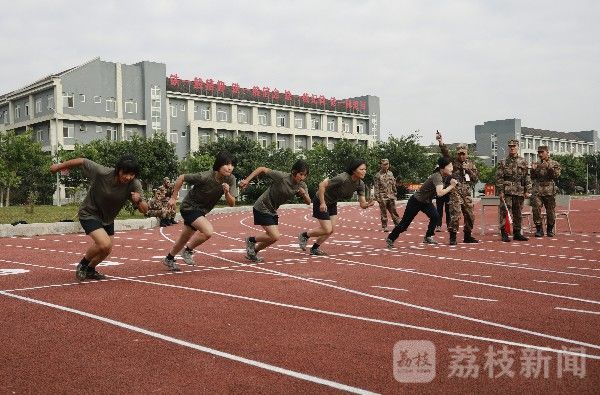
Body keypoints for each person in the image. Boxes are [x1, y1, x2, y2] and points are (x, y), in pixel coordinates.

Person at [50, 155, 148, 280]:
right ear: (119, 170)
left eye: (132, 174)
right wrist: (58, 167)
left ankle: (90, 270)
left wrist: (138, 201)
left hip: (108, 218)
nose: (128, 177)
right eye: (125, 173)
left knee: (106, 249)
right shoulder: (103, 173)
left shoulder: (134, 184)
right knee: (104, 244)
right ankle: (83, 264)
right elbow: (82, 161)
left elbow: (145, 210)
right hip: (89, 213)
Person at [163, 152, 237, 271]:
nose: (230, 167)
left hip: (201, 211)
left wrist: (227, 192)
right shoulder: (205, 176)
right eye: (227, 164)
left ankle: (169, 258)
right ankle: (188, 251)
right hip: (189, 207)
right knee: (208, 231)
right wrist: (173, 197)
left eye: (232, 165)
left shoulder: (231, 179)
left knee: (184, 238)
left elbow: (232, 203)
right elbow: (182, 177)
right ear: (219, 164)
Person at [298, 159, 375, 256]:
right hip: (320, 200)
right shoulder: (342, 178)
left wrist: (368, 204)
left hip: (332, 203)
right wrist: (322, 203)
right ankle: (304, 235)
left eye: (365, 169)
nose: (364, 171)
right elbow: (322, 185)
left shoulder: (360, 184)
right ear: (354, 170)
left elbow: (362, 204)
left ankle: (314, 248)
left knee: (331, 230)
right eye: (362, 169)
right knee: (327, 229)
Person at [239, 160, 312, 262]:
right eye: (301, 174)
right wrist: (247, 180)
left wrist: (304, 194)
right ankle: (251, 240)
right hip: (262, 206)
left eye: (305, 175)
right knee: (275, 236)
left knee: (272, 238)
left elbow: (308, 202)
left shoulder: (302, 185)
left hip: (272, 210)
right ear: (294, 172)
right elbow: (262, 169)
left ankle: (253, 251)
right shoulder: (282, 177)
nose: (303, 177)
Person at [386, 157, 458, 248]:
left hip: (426, 202)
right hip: (416, 201)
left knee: (435, 216)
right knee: (404, 225)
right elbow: (440, 193)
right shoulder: (437, 176)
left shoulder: (445, 176)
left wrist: (452, 185)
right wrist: (452, 186)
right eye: (450, 166)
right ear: (443, 168)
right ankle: (390, 238)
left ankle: (428, 236)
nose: (452, 168)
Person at [437, 131, 480, 245]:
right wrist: (441, 142)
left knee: (470, 215)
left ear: (467, 154)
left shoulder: (471, 164)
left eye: (463, 154)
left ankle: (467, 236)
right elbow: (445, 153)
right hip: (454, 192)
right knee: (455, 215)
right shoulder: (452, 162)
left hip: (466, 193)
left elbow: (475, 179)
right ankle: (453, 236)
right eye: (459, 153)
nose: (461, 156)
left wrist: (469, 170)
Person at [495, 139, 532, 242]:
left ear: (517, 147)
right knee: (505, 212)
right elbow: (499, 178)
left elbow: (527, 177)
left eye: (514, 146)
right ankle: (504, 233)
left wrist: (527, 190)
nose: (512, 148)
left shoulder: (523, 161)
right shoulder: (503, 162)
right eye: (510, 146)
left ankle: (517, 233)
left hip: (519, 191)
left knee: (518, 213)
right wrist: (500, 191)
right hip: (507, 191)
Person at [530, 145, 561, 237]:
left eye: (542, 152)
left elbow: (556, 176)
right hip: (537, 190)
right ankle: (539, 229)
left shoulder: (554, 163)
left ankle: (550, 229)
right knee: (536, 209)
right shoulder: (537, 164)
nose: (540, 154)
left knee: (550, 211)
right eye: (539, 152)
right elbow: (532, 177)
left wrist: (549, 167)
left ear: (547, 152)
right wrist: (533, 170)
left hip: (549, 190)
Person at [373, 158, 400, 232]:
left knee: (393, 211)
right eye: (384, 164)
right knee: (383, 212)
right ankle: (385, 226)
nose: (386, 166)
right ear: (381, 165)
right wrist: (377, 197)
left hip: (390, 195)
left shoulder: (391, 173)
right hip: (382, 196)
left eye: (387, 164)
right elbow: (376, 187)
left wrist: (395, 193)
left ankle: (398, 224)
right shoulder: (377, 175)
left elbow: (393, 184)